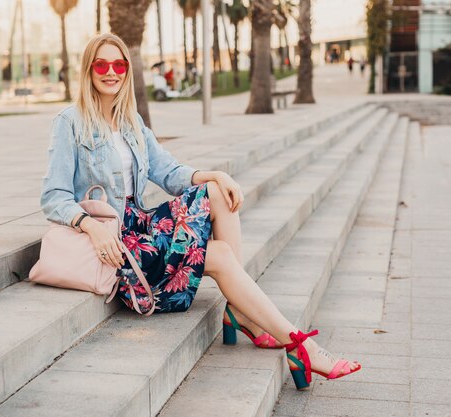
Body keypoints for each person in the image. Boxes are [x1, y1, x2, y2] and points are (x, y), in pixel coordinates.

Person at [40, 33, 360, 391]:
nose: (111, 72)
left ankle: (249, 316)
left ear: (127, 70)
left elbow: (170, 173)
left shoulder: (131, 122)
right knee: (220, 254)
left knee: (217, 193)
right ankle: (300, 345)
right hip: (118, 245)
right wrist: (91, 226)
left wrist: (216, 175)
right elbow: (53, 196)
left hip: (141, 225)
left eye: (119, 64)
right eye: (102, 64)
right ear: (89, 70)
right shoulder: (70, 122)